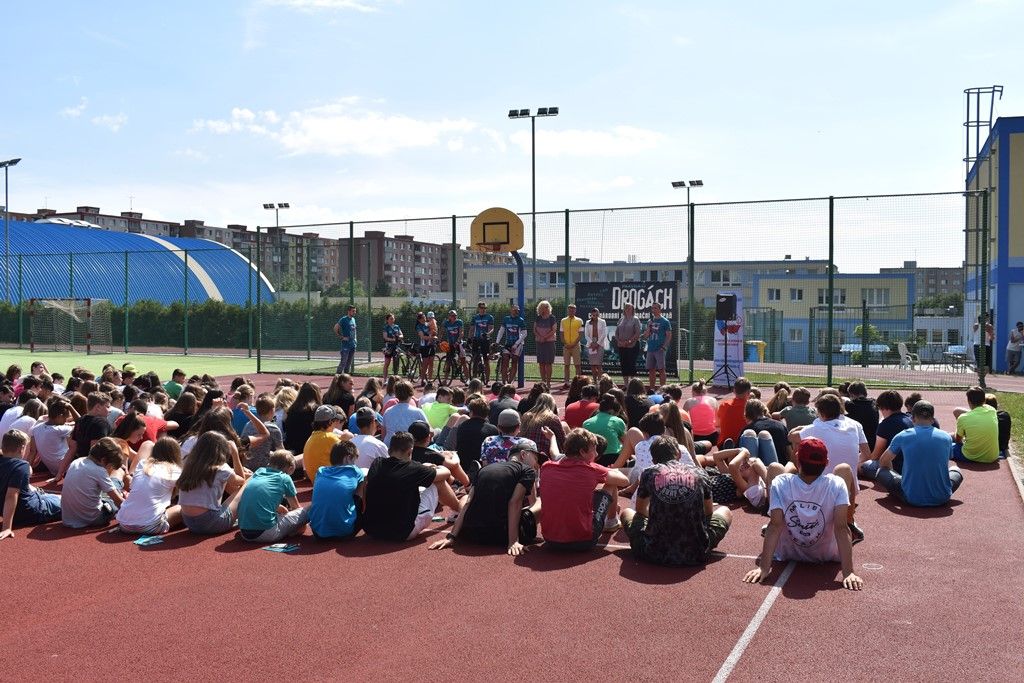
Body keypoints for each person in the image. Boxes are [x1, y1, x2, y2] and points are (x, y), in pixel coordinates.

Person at [743, 438, 864, 591]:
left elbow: (775, 525)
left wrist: (763, 568)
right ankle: (851, 521)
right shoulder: (837, 484)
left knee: (774, 467)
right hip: (827, 555)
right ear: (826, 463)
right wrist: (848, 572)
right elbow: (840, 528)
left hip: (787, 553)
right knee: (844, 469)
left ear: (797, 459)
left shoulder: (780, 482)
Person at [620, 435, 732, 566]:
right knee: (725, 511)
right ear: (678, 454)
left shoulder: (648, 473)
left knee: (627, 512)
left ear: (653, 459)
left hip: (653, 552)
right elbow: (708, 512)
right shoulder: (700, 473)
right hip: (696, 552)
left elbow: (640, 510)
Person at [430, 441, 543, 555]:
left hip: (471, 534)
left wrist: (451, 536)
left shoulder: (484, 469)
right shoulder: (527, 470)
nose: (537, 464)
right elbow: (514, 502)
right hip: (501, 536)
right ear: (523, 455)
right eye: (535, 458)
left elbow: (469, 503)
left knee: (465, 498)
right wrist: (513, 541)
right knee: (541, 501)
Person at [791, 394, 867, 543]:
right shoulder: (855, 425)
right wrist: (853, 463)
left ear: (821, 412)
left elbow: (791, 436)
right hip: (850, 489)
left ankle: (778, 519)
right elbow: (867, 454)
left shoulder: (816, 427)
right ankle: (849, 520)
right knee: (846, 470)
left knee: (789, 465)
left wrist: (805, 428)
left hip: (821, 489)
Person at [362, 431, 464, 542]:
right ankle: (461, 512)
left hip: (372, 530)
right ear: (410, 451)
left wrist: (424, 468)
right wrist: (431, 467)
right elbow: (446, 473)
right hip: (402, 532)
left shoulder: (377, 464)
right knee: (438, 483)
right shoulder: (413, 468)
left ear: (389, 449)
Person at [538, 428, 629, 549]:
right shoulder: (591, 469)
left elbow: (554, 453)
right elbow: (624, 481)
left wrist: (552, 437)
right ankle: (611, 521)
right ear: (582, 452)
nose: (597, 454)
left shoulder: (546, 466)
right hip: (584, 541)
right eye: (594, 450)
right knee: (611, 483)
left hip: (550, 540)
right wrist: (607, 470)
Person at [876, 400, 963, 506]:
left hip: (911, 497)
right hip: (942, 497)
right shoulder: (946, 437)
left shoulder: (902, 436)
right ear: (932, 420)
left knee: (881, 472)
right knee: (956, 469)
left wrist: (894, 473)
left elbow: (883, 461)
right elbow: (946, 461)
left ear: (912, 418)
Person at [178, 431, 249, 535]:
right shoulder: (221, 468)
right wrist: (235, 453)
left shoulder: (189, 465)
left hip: (189, 522)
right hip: (211, 523)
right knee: (248, 483)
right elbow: (241, 481)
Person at [1, 429, 62, 538]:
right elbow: (11, 495)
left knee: (56, 496)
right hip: (31, 511)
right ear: (22, 448)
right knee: (70, 503)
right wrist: (6, 527)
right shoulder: (21, 466)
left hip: (20, 506)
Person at [115, 437, 184, 535]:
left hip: (124, 524)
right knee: (183, 508)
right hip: (149, 526)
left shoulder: (143, 464)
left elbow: (133, 486)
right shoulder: (174, 470)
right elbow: (188, 489)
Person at [237, 450, 308, 543]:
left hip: (245, 533)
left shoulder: (259, 472)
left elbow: (259, 497)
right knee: (309, 509)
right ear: (290, 468)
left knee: (279, 512)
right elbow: (296, 507)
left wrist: (278, 507)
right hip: (267, 533)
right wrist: (301, 525)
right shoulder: (284, 478)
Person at [61, 437, 127, 529]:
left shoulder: (76, 462)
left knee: (103, 490)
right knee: (116, 480)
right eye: (110, 466)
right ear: (103, 460)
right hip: (93, 519)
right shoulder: (99, 471)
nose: (108, 470)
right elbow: (118, 501)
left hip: (69, 518)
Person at [309, 440, 365, 540]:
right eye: (354, 461)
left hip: (317, 532)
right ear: (348, 458)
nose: (354, 464)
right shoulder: (355, 471)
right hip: (345, 532)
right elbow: (360, 497)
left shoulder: (321, 471)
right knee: (364, 483)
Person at [858, 390, 912, 480]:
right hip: (910, 465)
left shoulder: (886, 424)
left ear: (884, 408)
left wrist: (862, 462)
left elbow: (876, 455)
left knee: (862, 466)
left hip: (896, 468)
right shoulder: (910, 419)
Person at [408, 421, 471, 488]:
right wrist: (455, 455)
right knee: (450, 461)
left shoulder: (406, 451)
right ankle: (468, 485)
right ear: (428, 438)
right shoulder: (431, 455)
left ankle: (456, 483)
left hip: (412, 482)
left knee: (446, 455)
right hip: (430, 486)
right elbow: (454, 464)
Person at [303, 405, 351, 486]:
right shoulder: (329, 438)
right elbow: (350, 451)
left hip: (317, 483)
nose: (336, 424)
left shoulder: (312, 437)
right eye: (335, 421)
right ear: (330, 422)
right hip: (330, 483)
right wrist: (349, 436)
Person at [28, 398, 77, 477]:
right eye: (65, 418)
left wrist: (26, 470)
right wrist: (70, 407)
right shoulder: (59, 429)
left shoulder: (35, 429)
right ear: (60, 416)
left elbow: (32, 452)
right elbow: (81, 423)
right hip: (67, 468)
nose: (66, 421)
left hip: (52, 469)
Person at [951, 386, 999, 463]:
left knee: (943, 446)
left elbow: (958, 441)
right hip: (992, 457)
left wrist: (959, 429)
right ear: (984, 400)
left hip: (970, 456)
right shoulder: (992, 410)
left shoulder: (963, 418)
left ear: (969, 401)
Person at [455, 397, 498, 475]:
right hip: (484, 469)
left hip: (464, 467)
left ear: (471, 412)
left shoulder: (462, 426)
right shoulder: (492, 429)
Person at [240, 394, 284, 471]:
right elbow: (281, 452)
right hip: (264, 468)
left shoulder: (248, 424)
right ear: (271, 411)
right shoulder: (273, 428)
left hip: (247, 466)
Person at [741, 399, 790, 465]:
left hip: (757, 470)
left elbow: (740, 455)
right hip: (781, 466)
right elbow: (789, 452)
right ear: (763, 411)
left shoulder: (748, 429)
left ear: (747, 415)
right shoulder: (780, 425)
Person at [584, 394, 627, 467]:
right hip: (613, 459)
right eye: (617, 414)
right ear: (612, 411)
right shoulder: (617, 421)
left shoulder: (586, 423)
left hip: (594, 459)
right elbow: (626, 441)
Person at [381, 381, 429, 446]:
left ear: (396, 394)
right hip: (408, 448)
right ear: (411, 394)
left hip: (390, 446)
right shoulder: (418, 412)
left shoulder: (388, 411)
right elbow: (428, 430)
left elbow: (383, 433)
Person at [642, 302, 673, 390]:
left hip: (660, 349)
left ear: (660, 309)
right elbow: (645, 336)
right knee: (651, 370)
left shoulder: (665, 321)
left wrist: (664, 347)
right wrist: (649, 327)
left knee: (661, 369)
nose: (653, 310)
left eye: (655, 308)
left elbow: (669, 335)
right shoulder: (650, 321)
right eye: (652, 308)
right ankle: (652, 389)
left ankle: (663, 389)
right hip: (650, 348)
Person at [497, 303, 526, 385]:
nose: (516, 312)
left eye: (518, 311)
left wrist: (516, 344)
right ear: (511, 310)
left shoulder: (521, 320)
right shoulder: (506, 319)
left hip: (517, 344)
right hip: (508, 344)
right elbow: (501, 331)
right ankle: (503, 382)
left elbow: (524, 334)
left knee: (514, 361)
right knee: (505, 360)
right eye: (514, 310)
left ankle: (509, 383)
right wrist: (497, 342)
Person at [717, 377, 751, 447]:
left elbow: (718, 424)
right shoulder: (750, 407)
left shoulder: (724, 405)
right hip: (742, 445)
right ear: (748, 392)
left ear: (734, 391)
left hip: (722, 443)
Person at [682, 380, 718, 445]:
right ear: (705, 391)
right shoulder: (713, 400)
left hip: (696, 436)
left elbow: (683, 418)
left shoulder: (689, 401)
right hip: (713, 435)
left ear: (693, 392)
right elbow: (718, 418)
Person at [845, 382, 879, 451]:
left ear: (851, 394)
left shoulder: (850, 405)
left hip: (859, 443)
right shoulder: (874, 403)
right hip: (873, 441)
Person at [530, 300, 557, 387]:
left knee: (548, 363)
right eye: (544, 307)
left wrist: (545, 337)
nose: (546, 308)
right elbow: (534, 329)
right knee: (541, 363)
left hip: (549, 342)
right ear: (540, 308)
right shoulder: (538, 318)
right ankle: (543, 382)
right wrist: (540, 337)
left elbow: (554, 330)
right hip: (539, 343)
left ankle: (548, 383)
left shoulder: (552, 318)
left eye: (547, 307)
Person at [615, 303, 642, 386]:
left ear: (633, 310)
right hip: (621, 346)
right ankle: (626, 385)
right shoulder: (621, 319)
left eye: (629, 308)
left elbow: (637, 333)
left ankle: (633, 385)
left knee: (631, 365)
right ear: (624, 310)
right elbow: (616, 333)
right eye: (626, 308)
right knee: (624, 365)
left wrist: (629, 341)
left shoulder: (635, 319)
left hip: (632, 346)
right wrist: (619, 341)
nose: (628, 309)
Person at [469, 302, 495, 382]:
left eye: (484, 308)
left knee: (486, 360)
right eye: (481, 308)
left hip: (485, 340)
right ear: (478, 308)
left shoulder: (489, 317)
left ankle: (487, 380)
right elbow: (472, 329)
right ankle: (474, 379)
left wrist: (487, 334)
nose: (483, 309)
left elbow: (491, 328)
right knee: (475, 359)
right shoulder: (475, 317)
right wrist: (470, 338)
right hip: (476, 340)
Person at [441, 309, 470, 379]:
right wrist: (439, 340)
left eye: (455, 315)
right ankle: (445, 380)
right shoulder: (446, 323)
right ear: (449, 316)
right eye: (452, 316)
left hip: (459, 343)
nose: (454, 317)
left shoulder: (459, 322)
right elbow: (441, 332)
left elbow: (461, 333)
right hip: (450, 344)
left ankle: (468, 379)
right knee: (448, 361)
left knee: (463, 361)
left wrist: (458, 341)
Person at [560, 304, 584, 388]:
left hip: (576, 346)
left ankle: (578, 383)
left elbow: (581, 334)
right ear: (568, 310)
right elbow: (561, 334)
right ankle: (566, 383)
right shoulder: (563, 320)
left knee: (577, 365)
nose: (571, 311)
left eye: (573, 310)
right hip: (566, 346)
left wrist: (573, 344)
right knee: (566, 365)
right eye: (570, 310)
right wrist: (565, 344)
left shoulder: (579, 320)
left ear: (575, 310)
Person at [984, 394, 1011, 460]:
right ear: (996, 404)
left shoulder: (985, 417)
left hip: (990, 448)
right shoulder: (1005, 415)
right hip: (1003, 446)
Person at [584, 308, 608, 382]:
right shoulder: (588, 322)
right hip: (590, 345)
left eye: (597, 314)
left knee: (599, 364)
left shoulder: (603, 322)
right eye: (594, 315)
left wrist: (597, 344)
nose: (595, 316)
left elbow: (604, 334)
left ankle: (600, 381)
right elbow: (586, 335)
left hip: (600, 345)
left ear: (598, 314)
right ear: (591, 315)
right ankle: (595, 381)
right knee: (593, 365)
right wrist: (592, 343)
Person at [334, 304, 358, 375]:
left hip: (353, 344)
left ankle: (346, 378)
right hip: (345, 345)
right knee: (343, 361)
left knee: (349, 362)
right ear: (349, 311)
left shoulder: (353, 319)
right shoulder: (343, 319)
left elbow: (354, 330)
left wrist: (356, 339)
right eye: (353, 311)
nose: (354, 312)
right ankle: (337, 377)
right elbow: (335, 328)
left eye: (355, 311)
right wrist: (341, 336)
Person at [414, 311, 435, 386]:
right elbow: (422, 336)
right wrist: (431, 337)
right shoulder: (418, 326)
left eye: (425, 317)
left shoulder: (428, 324)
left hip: (431, 345)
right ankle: (422, 380)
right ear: (419, 320)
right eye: (423, 318)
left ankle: (430, 379)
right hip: (424, 346)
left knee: (431, 362)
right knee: (425, 363)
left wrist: (434, 334)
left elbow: (433, 331)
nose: (424, 319)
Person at [382, 313, 404, 382]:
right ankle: (385, 380)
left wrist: (399, 337)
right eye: (391, 318)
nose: (392, 320)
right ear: (387, 320)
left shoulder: (397, 327)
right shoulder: (386, 327)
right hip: (389, 347)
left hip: (396, 347)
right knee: (387, 363)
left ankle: (395, 379)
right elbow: (385, 337)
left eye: (393, 318)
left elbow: (402, 335)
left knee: (396, 363)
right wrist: (393, 339)